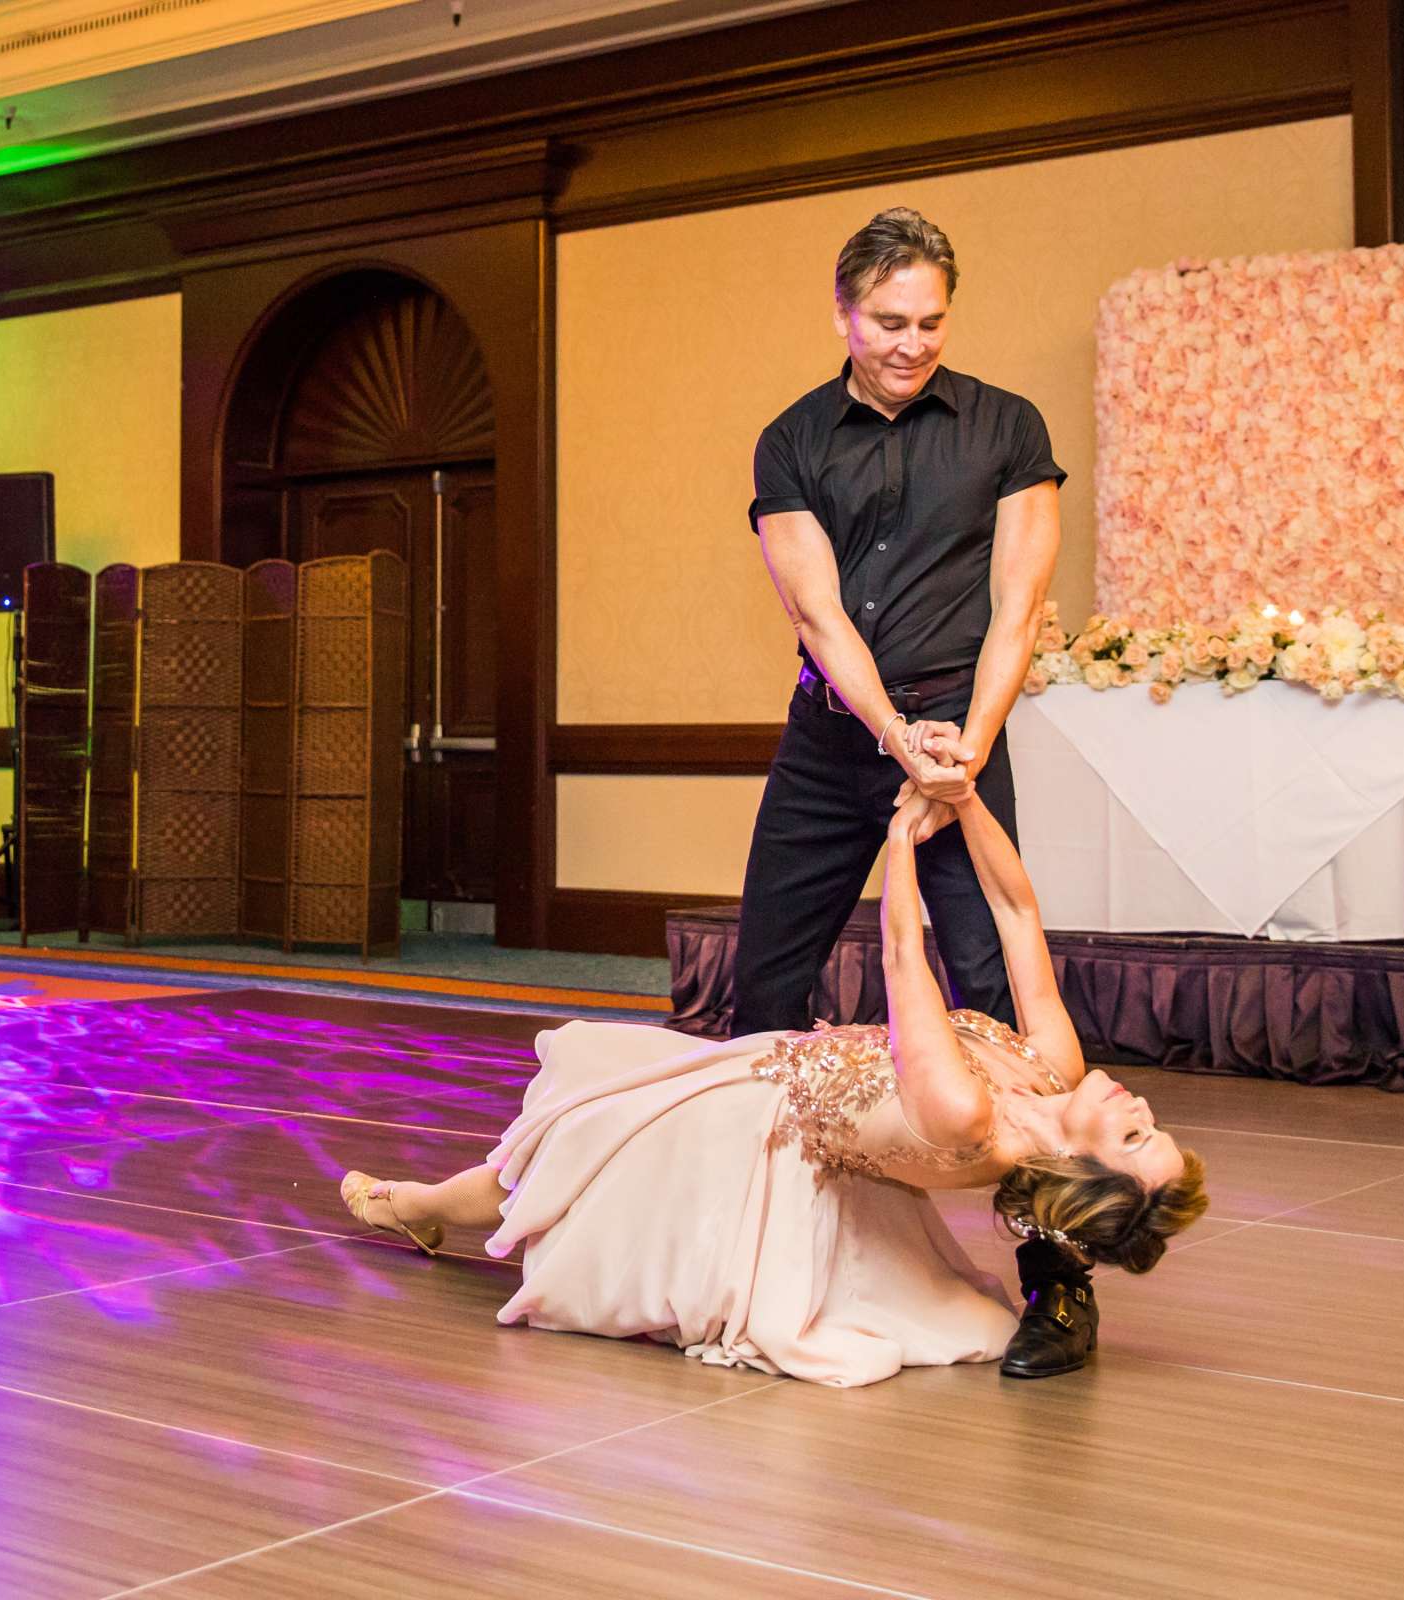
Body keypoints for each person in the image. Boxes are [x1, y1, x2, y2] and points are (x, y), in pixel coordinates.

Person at [339, 783, 1207, 1388]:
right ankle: (424, 1204)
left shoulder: (969, 1116)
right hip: (772, 1071)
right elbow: (1018, 913)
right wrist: (967, 799)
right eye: (1152, 1123)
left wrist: (901, 838)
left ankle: (413, 1203)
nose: (1136, 1107)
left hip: (757, 1127)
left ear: (1076, 1165)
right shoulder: (1050, 1067)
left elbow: (906, 956)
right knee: (556, 1160)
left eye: (1133, 1137)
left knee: (550, 1167)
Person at [729, 205, 1102, 1378]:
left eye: (932, 320)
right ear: (844, 312)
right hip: (841, 736)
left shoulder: (1005, 428)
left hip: (961, 740)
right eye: (889, 321)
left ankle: (1057, 1283)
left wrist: (965, 751)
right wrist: (897, 741)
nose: (911, 341)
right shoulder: (791, 441)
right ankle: (748, 1251)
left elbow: (1018, 608)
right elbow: (817, 614)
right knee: (765, 983)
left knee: (1004, 1010)